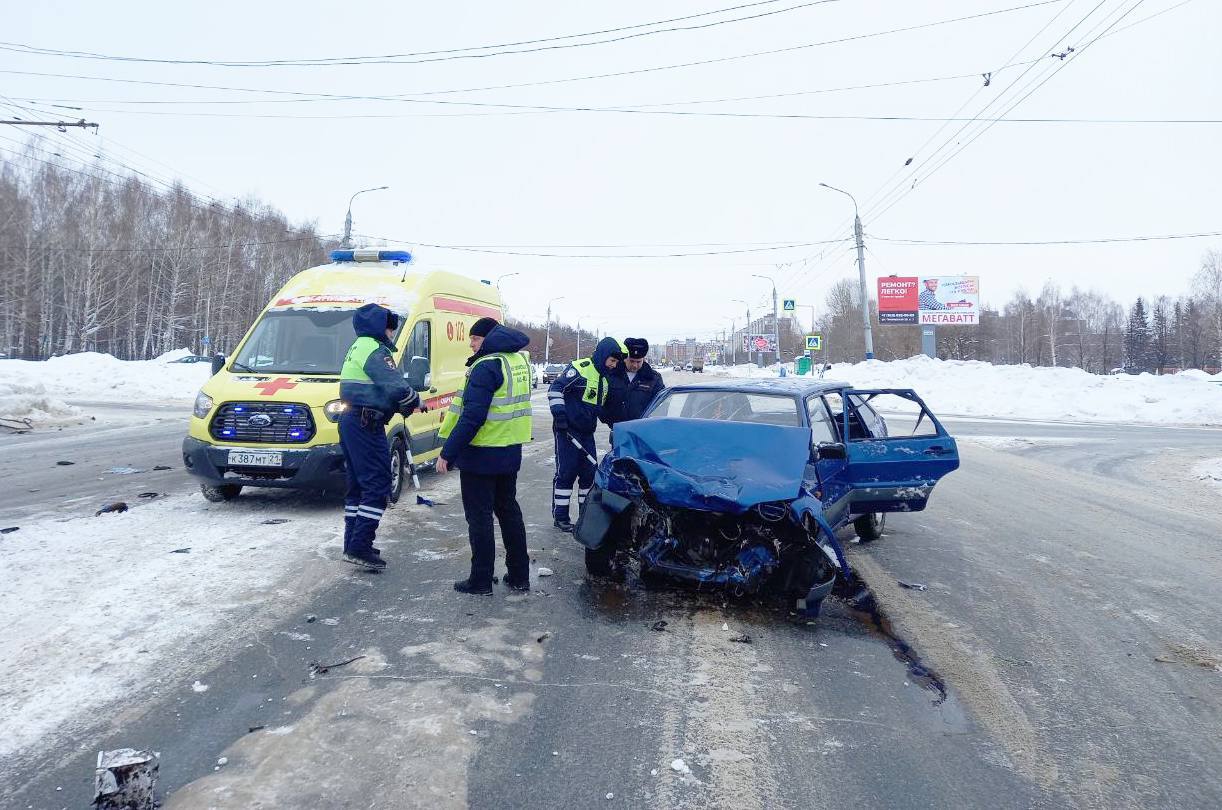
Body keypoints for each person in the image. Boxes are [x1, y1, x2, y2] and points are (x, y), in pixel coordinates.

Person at [435, 317, 533, 595]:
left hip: (481, 455)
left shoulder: (486, 366)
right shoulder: (517, 362)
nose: (471, 345)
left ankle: (480, 579)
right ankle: (519, 575)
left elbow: (472, 417)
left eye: (475, 340)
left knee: (479, 518)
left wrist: (448, 453)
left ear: (489, 339)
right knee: (509, 512)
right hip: (509, 451)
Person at [338, 303, 422, 570]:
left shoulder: (358, 346)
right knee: (377, 484)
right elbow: (395, 385)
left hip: (352, 420)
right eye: (390, 327)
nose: (392, 332)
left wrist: (399, 404)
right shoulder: (376, 350)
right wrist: (413, 400)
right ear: (381, 327)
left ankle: (352, 543)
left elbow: (372, 391)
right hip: (366, 424)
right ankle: (360, 546)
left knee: (358, 486)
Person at [547, 337, 625, 532]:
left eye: (616, 363)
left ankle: (585, 516)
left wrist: (616, 425)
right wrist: (560, 417)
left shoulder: (605, 380)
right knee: (566, 473)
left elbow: (602, 409)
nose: (613, 365)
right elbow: (555, 389)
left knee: (589, 474)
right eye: (612, 361)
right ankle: (561, 517)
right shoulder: (580, 368)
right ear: (603, 355)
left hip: (586, 433)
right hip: (567, 432)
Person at [607, 337, 666, 423]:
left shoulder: (653, 378)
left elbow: (662, 404)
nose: (635, 365)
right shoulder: (613, 375)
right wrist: (609, 419)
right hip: (618, 428)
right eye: (632, 361)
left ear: (643, 359)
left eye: (638, 362)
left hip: (644, 429)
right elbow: (602, 401)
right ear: (625, 358)